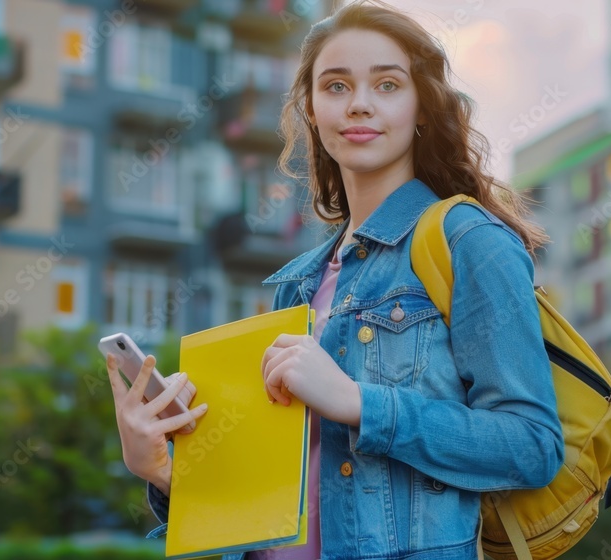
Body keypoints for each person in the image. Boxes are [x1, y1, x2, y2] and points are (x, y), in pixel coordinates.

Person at [106, 1, 565, 558]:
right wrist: (162, 471)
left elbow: (531, 446)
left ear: (422, 105)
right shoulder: (297, 284)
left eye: (388, 85)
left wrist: (358, 402)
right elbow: (274, 507)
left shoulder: (469, 241)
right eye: (337, 86)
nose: (360, 104)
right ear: (312, 109)